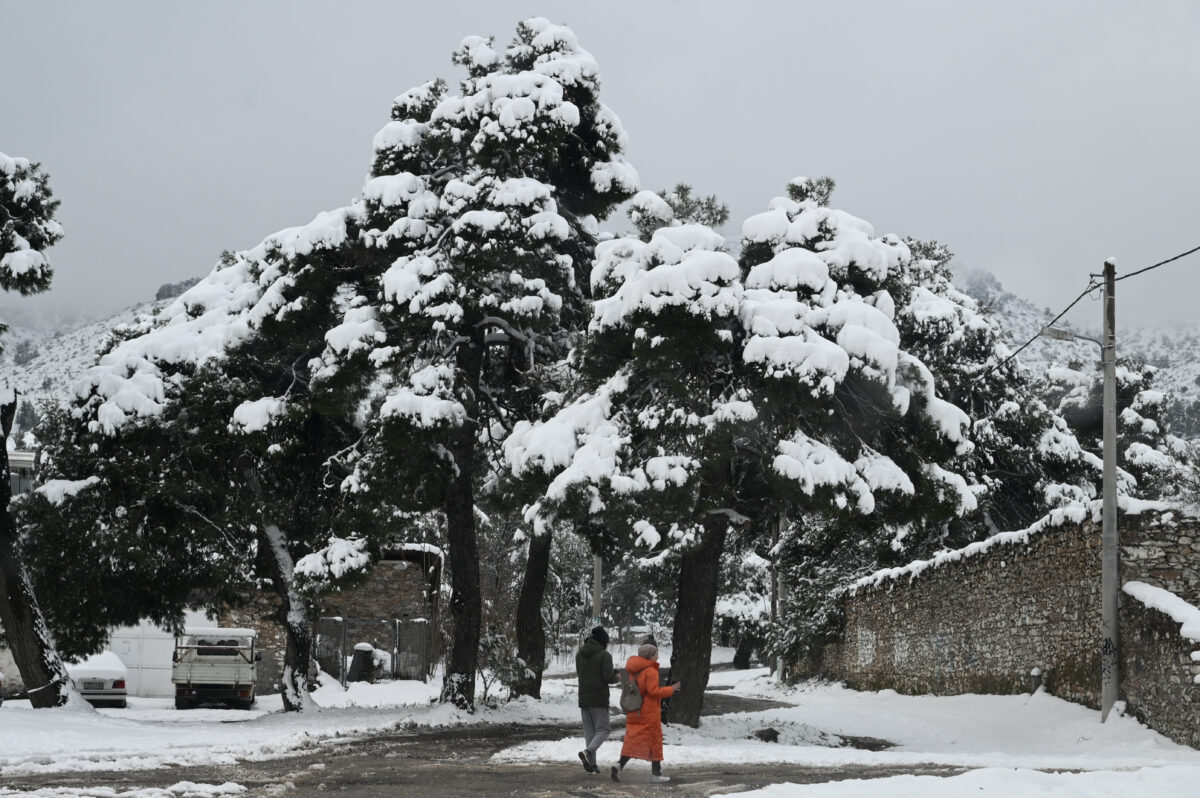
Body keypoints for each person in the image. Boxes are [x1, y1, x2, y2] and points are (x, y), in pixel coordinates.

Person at [612, 643, 680, 784]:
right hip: (649, 712)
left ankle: (619, 765)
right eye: (655, 654)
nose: (658, 656)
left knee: (633, 741)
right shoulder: (651, 671)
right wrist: (671, 689)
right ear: (649, 656)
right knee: (655, 741)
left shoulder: (634, 670)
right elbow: (653, 692)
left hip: (635, 711)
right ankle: (656, 775)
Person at [575, 625, 618, 774]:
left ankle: (592, 765)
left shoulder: (580, 654)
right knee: (603, 729)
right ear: (603, 641)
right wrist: (616, 675)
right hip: (598, 699)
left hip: (584, 698)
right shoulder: (605, 655)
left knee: (590, 733)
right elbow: (608, 677)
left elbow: (581, 674)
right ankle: (588, 752)